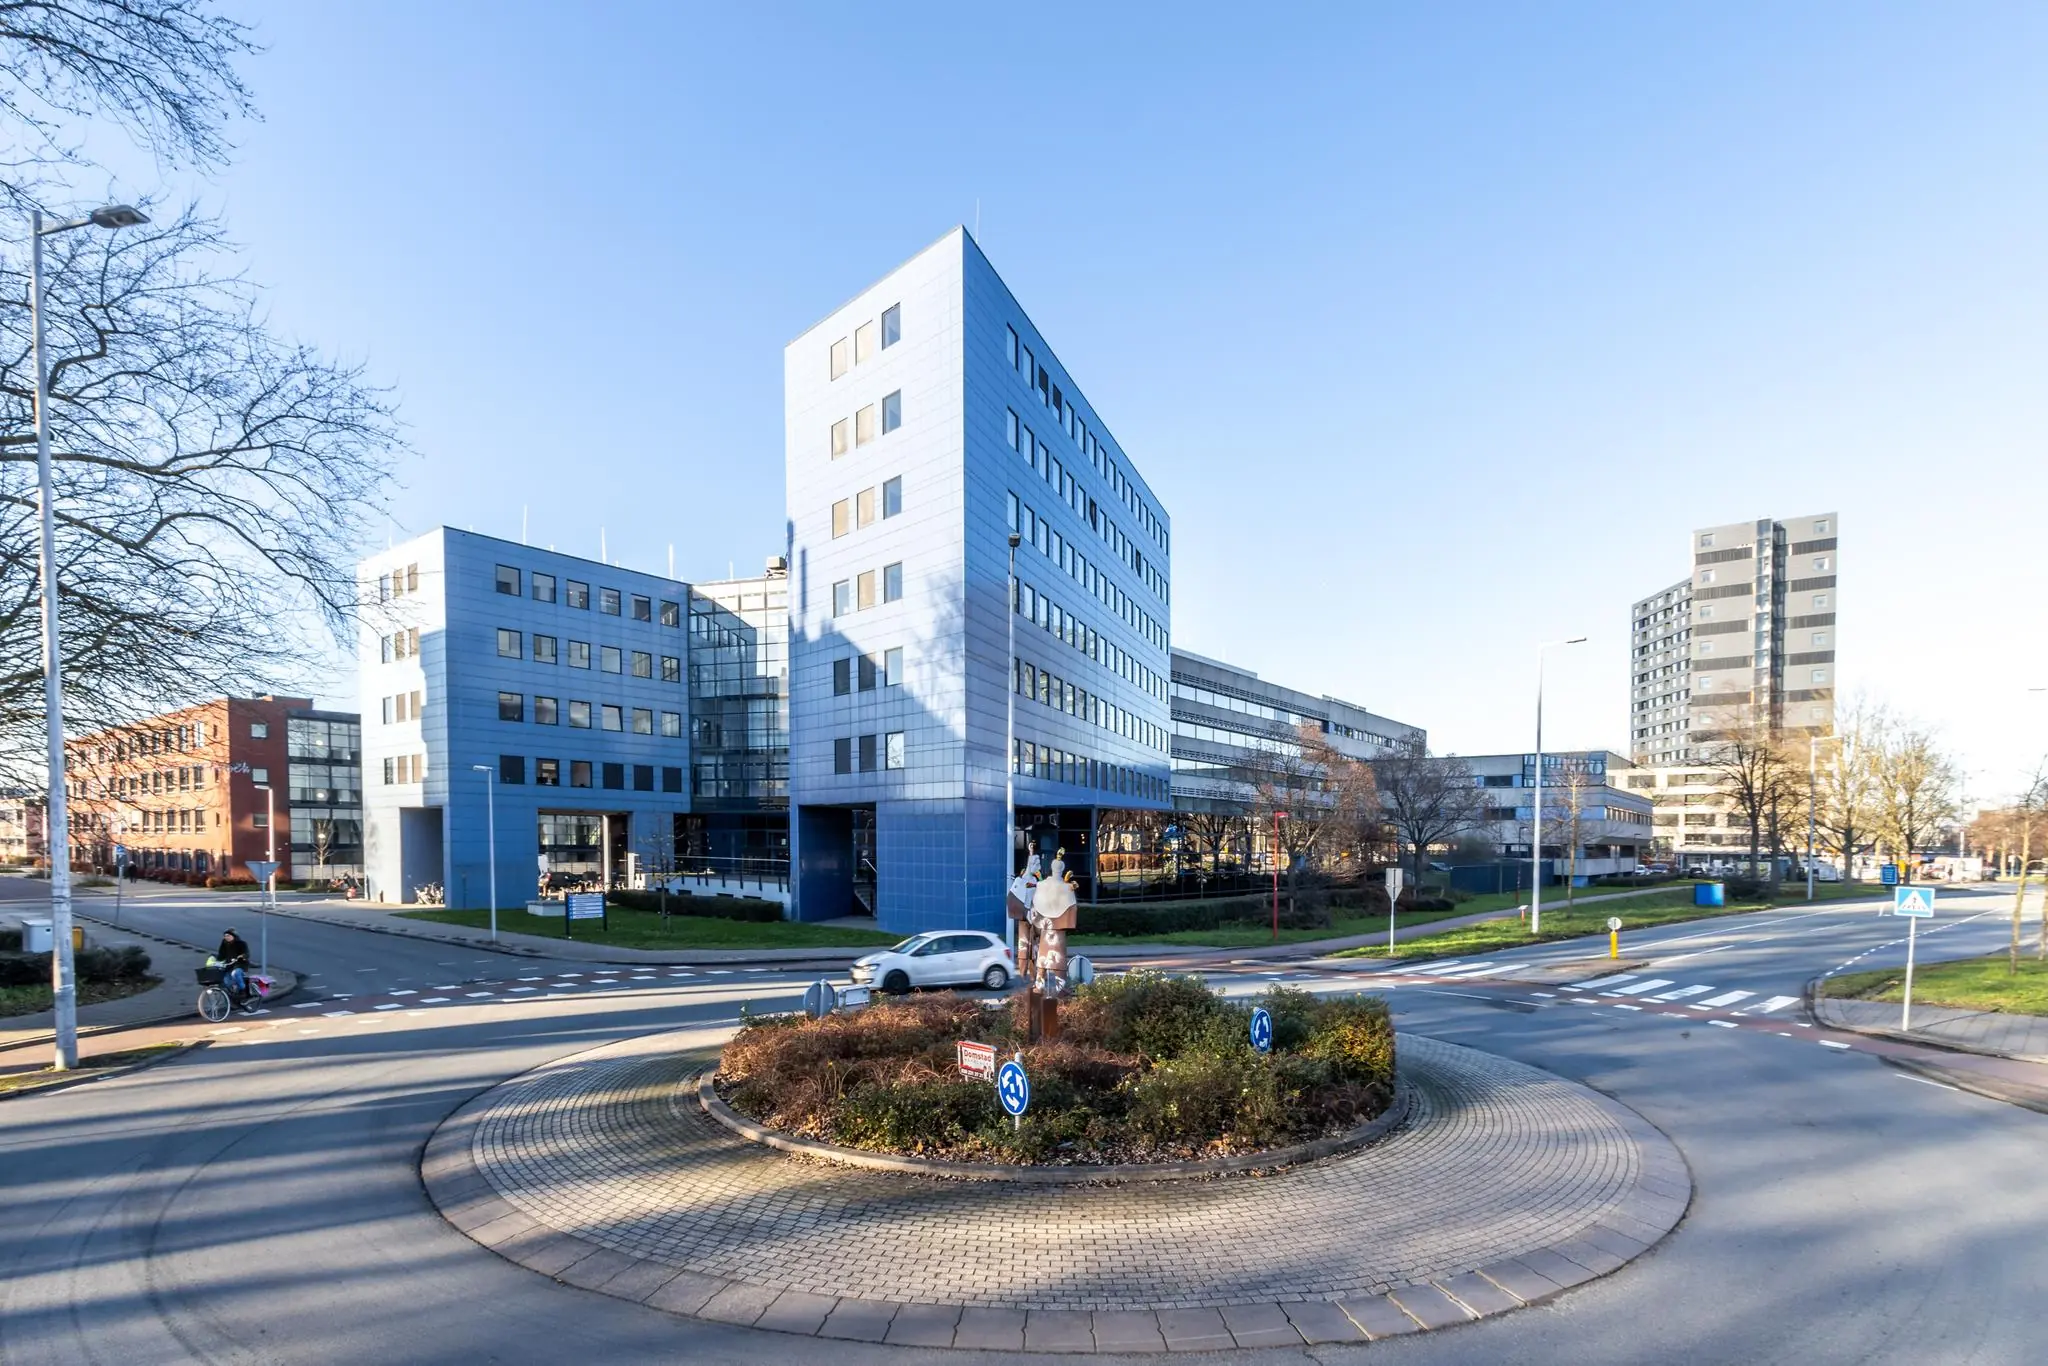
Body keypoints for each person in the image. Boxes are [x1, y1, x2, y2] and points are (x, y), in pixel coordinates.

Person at [215, 929, 253, 1007]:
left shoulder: (241, 943)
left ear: (233, 936)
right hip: (229, 964)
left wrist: (242, 956)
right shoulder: (224, 943)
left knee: (236, 973)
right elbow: (221, 955)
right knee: (226, 981)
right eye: (225, 936)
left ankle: (243, 992)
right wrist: (215, 959)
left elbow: (246, 953)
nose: (226, 937)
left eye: (228, 935)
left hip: (240, 964)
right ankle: (234, 998)